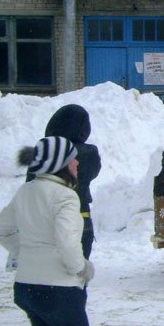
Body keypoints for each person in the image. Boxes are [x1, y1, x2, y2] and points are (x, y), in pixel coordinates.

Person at [0, 136, 95, 326]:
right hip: (58, 290)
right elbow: (66, 241)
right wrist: (82, 268)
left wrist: (24, 252)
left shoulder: (26, 190)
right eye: (72, 158)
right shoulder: (65, 196)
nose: (76, 162)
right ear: (61, 164)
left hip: (26, 288)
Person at [27, 104, 101, 259]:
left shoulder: (43, 149)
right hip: (80, 218)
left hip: (46, 221)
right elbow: (93, 173)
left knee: (46, 275)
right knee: (77, 275)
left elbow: (30, 185)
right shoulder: (90, 152)